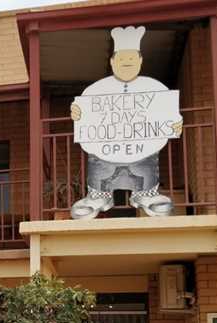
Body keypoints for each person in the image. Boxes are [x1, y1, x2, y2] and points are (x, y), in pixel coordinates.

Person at [70, 26, 183, 219]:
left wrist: (175, 123)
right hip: (105, 156)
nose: (127, 62)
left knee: (146, 167)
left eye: (131, 58)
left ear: (140, 60)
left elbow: (168, 113)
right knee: (99, 168)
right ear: (113, 62)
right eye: (122, 59)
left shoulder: (154, 88)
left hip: (142, 154)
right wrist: (78, 113)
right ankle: (98, 196)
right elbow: (85, 115)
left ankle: (146, 195)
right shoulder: (97, 90)